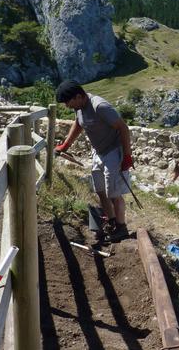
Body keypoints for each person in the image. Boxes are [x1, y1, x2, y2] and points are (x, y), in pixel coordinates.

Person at [54, 80, 133, 243]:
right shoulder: (79, 108)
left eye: (68, 102)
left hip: (113, 151)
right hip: (98, 151)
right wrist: (65, 145)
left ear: (78, 96)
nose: (67, 106)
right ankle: (111, 221)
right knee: (99, 189)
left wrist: (127, 156)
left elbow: (123, 128)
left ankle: (121, 228)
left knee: (114, 193)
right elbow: (78, 124)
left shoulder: (100, 106)